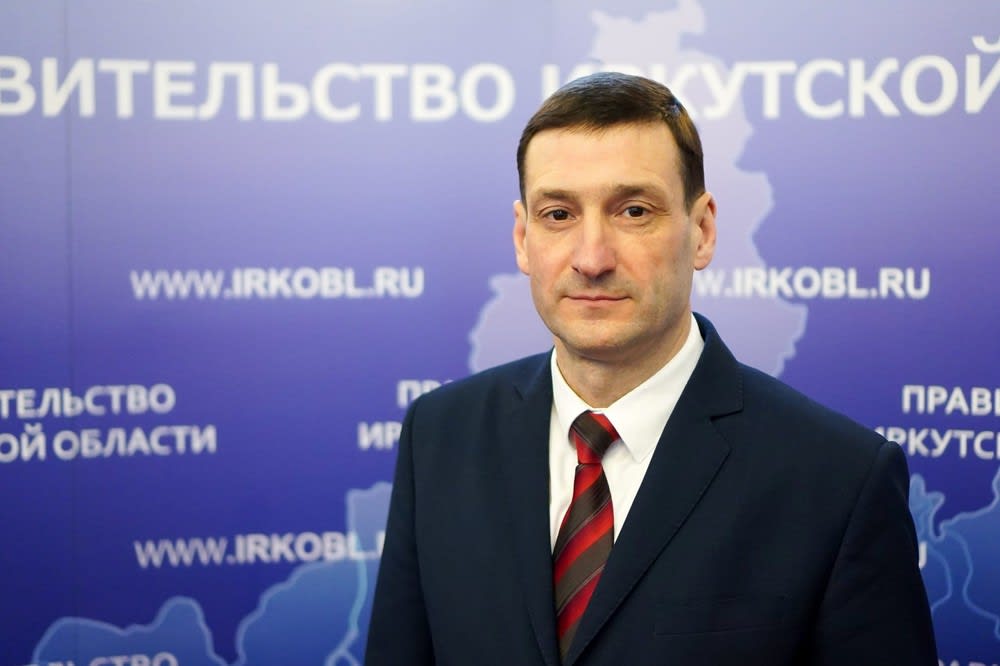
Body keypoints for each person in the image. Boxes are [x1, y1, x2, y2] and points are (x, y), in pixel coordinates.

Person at [365, 72, 937, 665]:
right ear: (522, 237)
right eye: (558, 214)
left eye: (633, 211)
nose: (591, 259)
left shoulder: (840, 480)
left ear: (702, 231)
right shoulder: (440, 435)